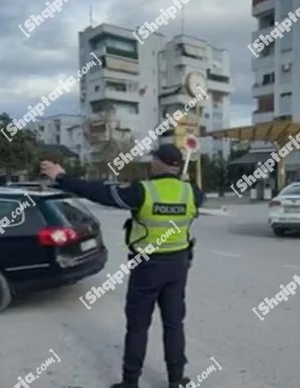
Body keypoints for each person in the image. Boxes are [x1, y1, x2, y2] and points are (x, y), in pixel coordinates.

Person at [39, 144, 205, 388]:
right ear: (178, 164)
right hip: (178, 266)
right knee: (174, 324)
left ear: (159, 162)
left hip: (147, 267)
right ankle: (177, 380)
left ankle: (130, 382)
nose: (150, 163)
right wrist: (183, 182)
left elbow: (99, 193)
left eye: (153, 159)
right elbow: (193, 202)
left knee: (138, 326)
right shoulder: (192, 192)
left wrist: (62, 177)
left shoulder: (142, 191)